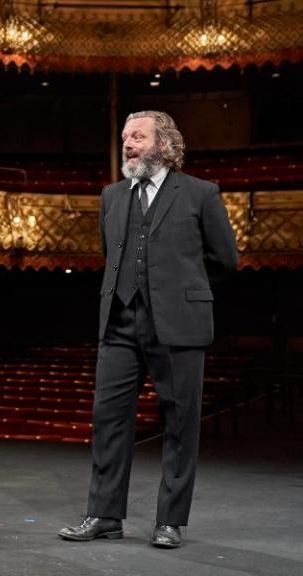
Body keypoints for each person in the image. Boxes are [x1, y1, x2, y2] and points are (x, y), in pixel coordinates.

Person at [59, 111, 238, 549]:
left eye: (138, 136)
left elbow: (226, 260)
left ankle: (170, 521)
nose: (128, 144)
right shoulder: (111, 196)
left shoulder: (200, 194)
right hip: (120, 323)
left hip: (177, 326)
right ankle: (104, 515)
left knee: (180, 425)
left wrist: (182, 292)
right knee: (108, 421)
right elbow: (111, 254)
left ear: (163, 144)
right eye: (125, 137)